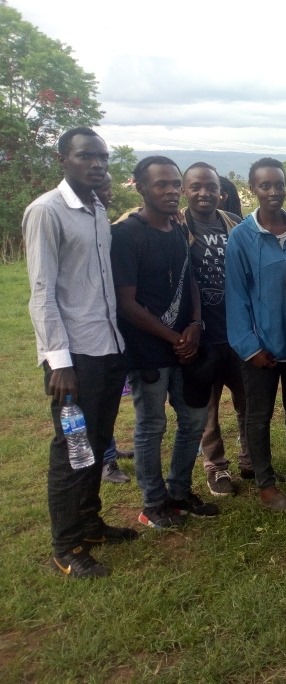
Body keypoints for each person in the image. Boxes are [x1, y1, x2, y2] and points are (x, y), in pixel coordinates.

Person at [23, 127, 135, 578]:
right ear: (62, 159)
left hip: (108, 346)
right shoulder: (47, 211)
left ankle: (89, 523)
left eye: (103, 158)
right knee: (73, 449)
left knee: (99, 442)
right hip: (75, 358)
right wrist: (58, 361)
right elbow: (42, 291)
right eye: (87, 156)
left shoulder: (95, 209)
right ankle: (67, 546)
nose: (97, 165)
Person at [111, 156, 217, 528]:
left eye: (175, 183)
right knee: (151, 425)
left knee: (192, 419)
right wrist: (175, 336)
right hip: (149, 351)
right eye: (162, 185)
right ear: (141, 187)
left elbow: (190, 280)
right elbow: (127, 303)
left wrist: (196, 323)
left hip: (185, 344)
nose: (172, 191)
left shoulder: (177, 228)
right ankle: (153, 502)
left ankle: (179, 490)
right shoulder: (125, 235)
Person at [226, 158, 286, 513]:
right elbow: (235, 296)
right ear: (253, 190)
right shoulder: (241, 237)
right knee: (259, 415)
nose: (273, 192)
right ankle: (266, 486)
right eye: (265, 186)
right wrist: (250, 346)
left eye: (278, 185)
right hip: (261, 348)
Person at [180, 162, 250, 497]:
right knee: (207, 409)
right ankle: (216, 468)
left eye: (210, 187)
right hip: (199, 335)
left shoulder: (234, 225)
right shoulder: (176, 226)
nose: (204, 193)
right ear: (185, 190)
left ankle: (251, 458)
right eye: (196, 187)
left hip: (236, 331)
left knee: (247, 400)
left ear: (220, 191)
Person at [91, 172, 133, 486]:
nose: (105, 193)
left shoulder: (111, 227)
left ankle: (111, 449)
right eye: (99, 188)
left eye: (107, 187)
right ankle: (106, 462)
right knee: (101, 401)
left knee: (115, 399)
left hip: (121, 328)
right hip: (95, 332)